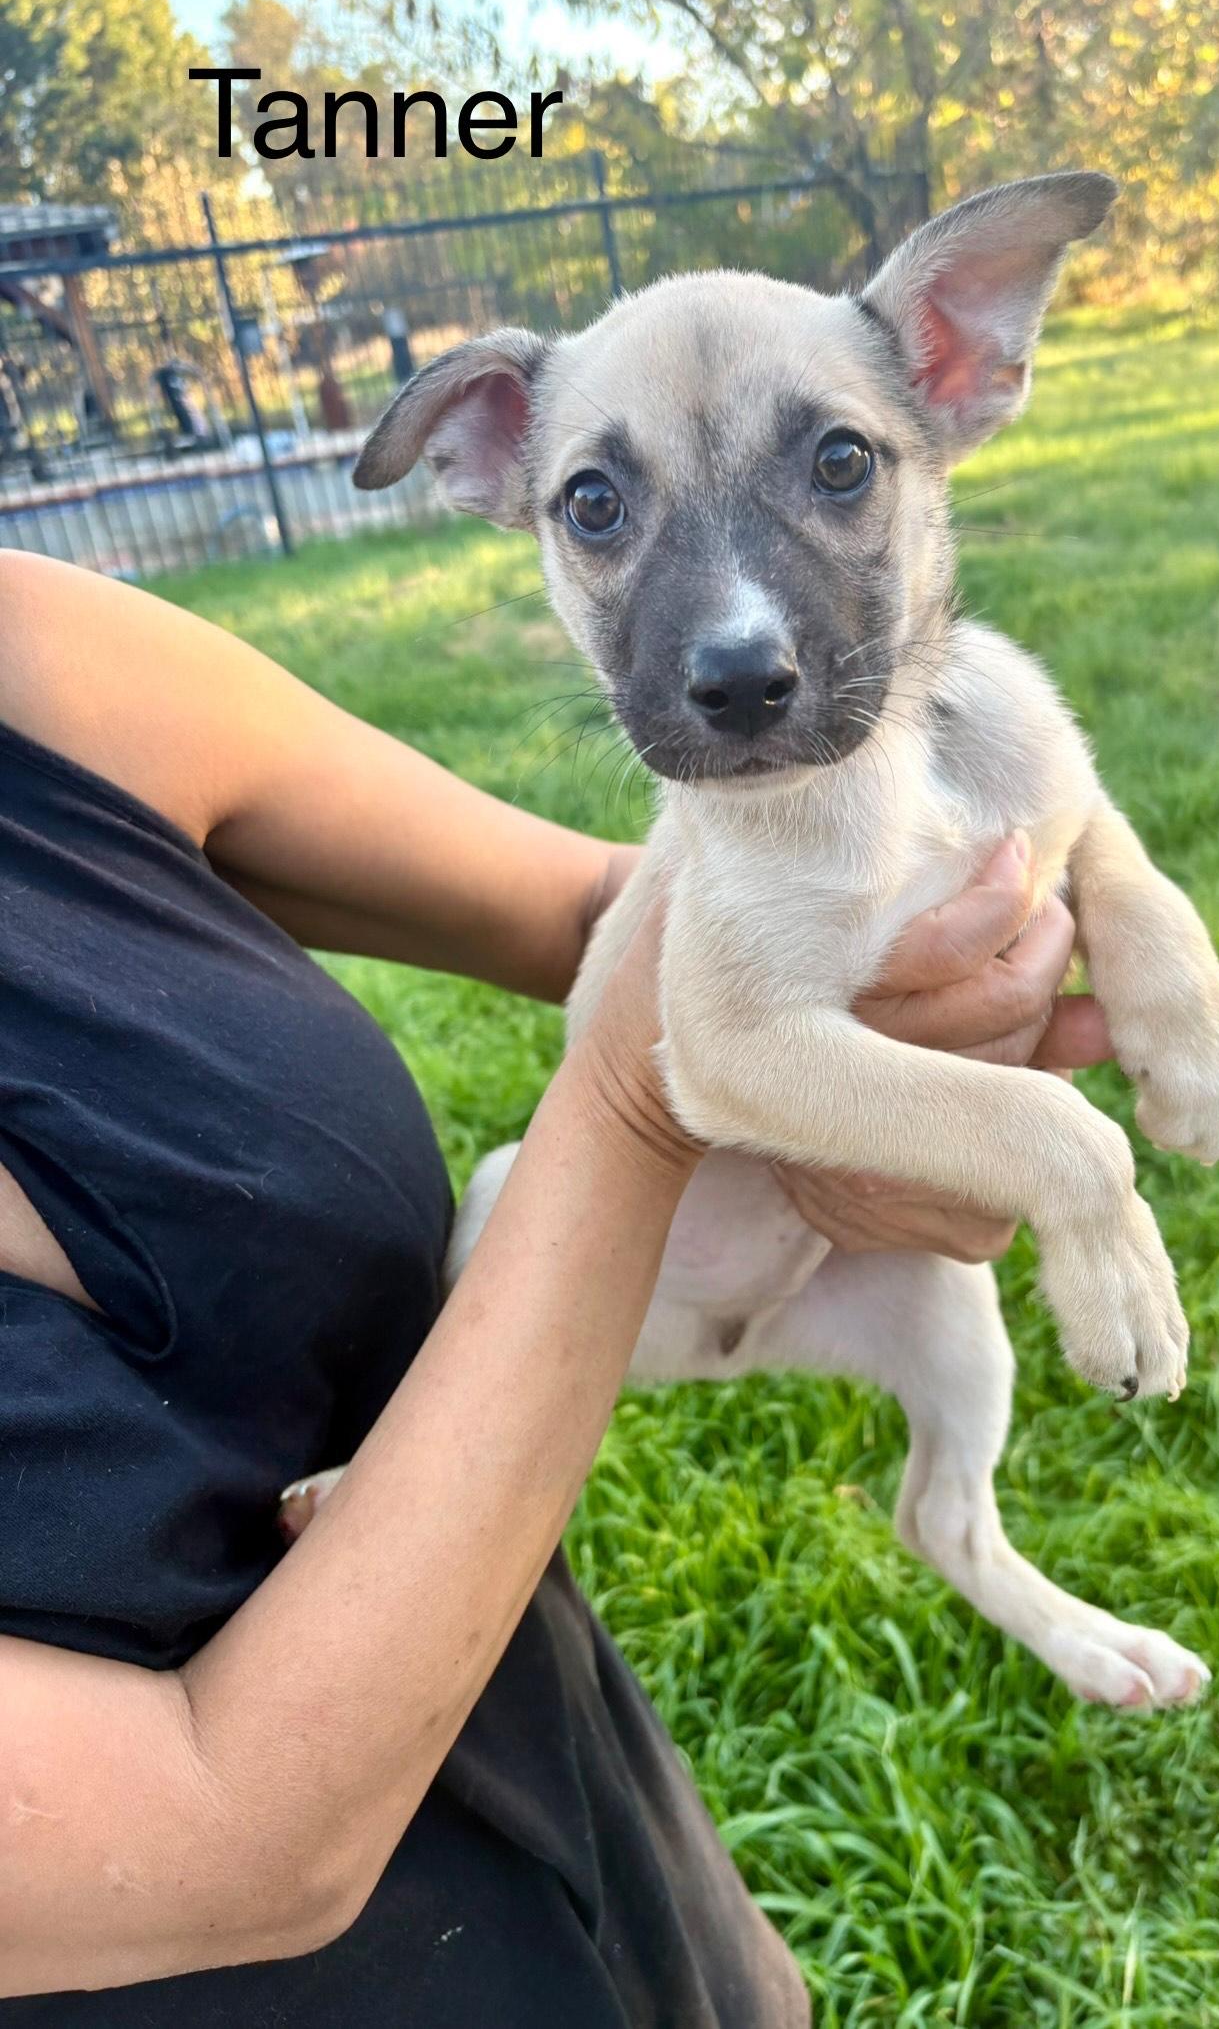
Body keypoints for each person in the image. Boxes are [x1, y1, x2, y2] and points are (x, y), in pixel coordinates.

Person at [0, 548, 1112, 2022]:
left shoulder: (40, 663)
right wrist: (664, 1093)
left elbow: (606, 908)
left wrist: (884, 1039)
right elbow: (233, 1840)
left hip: (580, 1787)